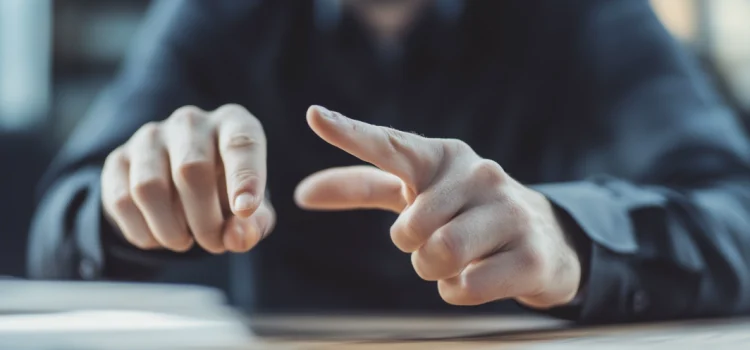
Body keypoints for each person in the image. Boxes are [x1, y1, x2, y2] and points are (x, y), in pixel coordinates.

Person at [28, 0, 750, 323]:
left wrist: (566, 236)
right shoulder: (217, 16)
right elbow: (59, 230)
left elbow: (737, 207)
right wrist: (134, 199)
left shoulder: (586, 16)